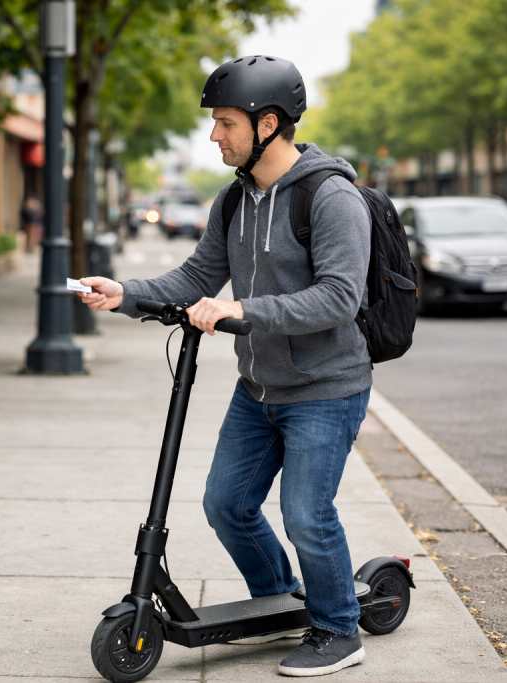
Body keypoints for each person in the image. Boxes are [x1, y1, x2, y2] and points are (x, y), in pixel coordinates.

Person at [77, 56, 373, 678]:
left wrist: (243, 308)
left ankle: (337, 627)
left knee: (306, 514)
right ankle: (281, 599)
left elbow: (341, 297)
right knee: (226, 505)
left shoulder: (331, 197)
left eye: (225, 122)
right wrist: (125, 292)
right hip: (259, 387)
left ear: (268, 124)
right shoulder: (235, 199)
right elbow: (195, 278)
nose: (215, 134)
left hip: (325, 387)